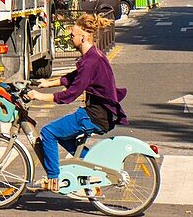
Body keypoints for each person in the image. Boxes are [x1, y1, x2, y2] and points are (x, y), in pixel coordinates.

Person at [29, 13, 127, 192]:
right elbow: (75, 77)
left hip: (94, 116)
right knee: (65, 138)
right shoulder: (94, 55)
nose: (70, 38)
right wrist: (48, 83)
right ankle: (93, 168)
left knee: (49, 132)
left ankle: (53, 179)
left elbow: (71, 94)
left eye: (72, 35)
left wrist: (38, 96)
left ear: (82, 37)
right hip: (101, 113)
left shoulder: (90, 61)